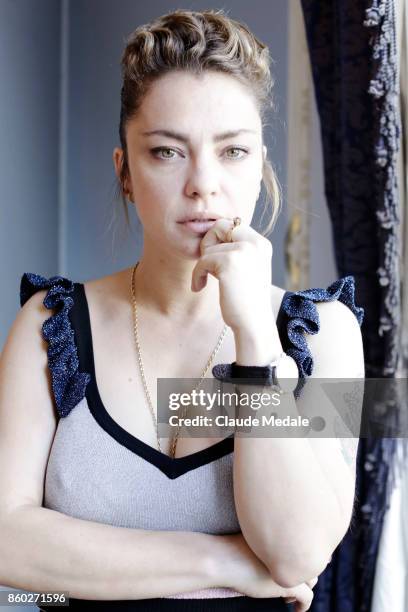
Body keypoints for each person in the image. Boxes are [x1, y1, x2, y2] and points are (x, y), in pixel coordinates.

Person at [0, 8, 365, 612]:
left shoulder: (329, 334)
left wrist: (254, 338)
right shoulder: (47, 323)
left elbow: (297, 556)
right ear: (125, 172)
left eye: (233, 151)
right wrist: (221, 560)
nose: (202, 184)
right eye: (167, 152)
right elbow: (7, 541)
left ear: (260, 169)